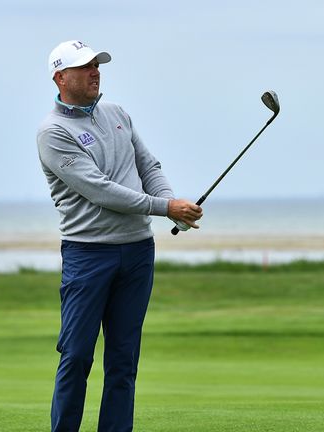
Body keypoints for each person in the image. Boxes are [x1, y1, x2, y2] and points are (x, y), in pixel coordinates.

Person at [36, 40, 202, 432]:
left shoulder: (117, 113)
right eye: (84, 67)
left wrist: (171, 201)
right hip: (88, 254)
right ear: (60, 77)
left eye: (96, 65)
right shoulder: (53, 132)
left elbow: (148, 166)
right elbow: (101, 191)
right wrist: (166, 208)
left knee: (124, 360)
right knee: (76, 355)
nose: (94, 72)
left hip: (138, 251)